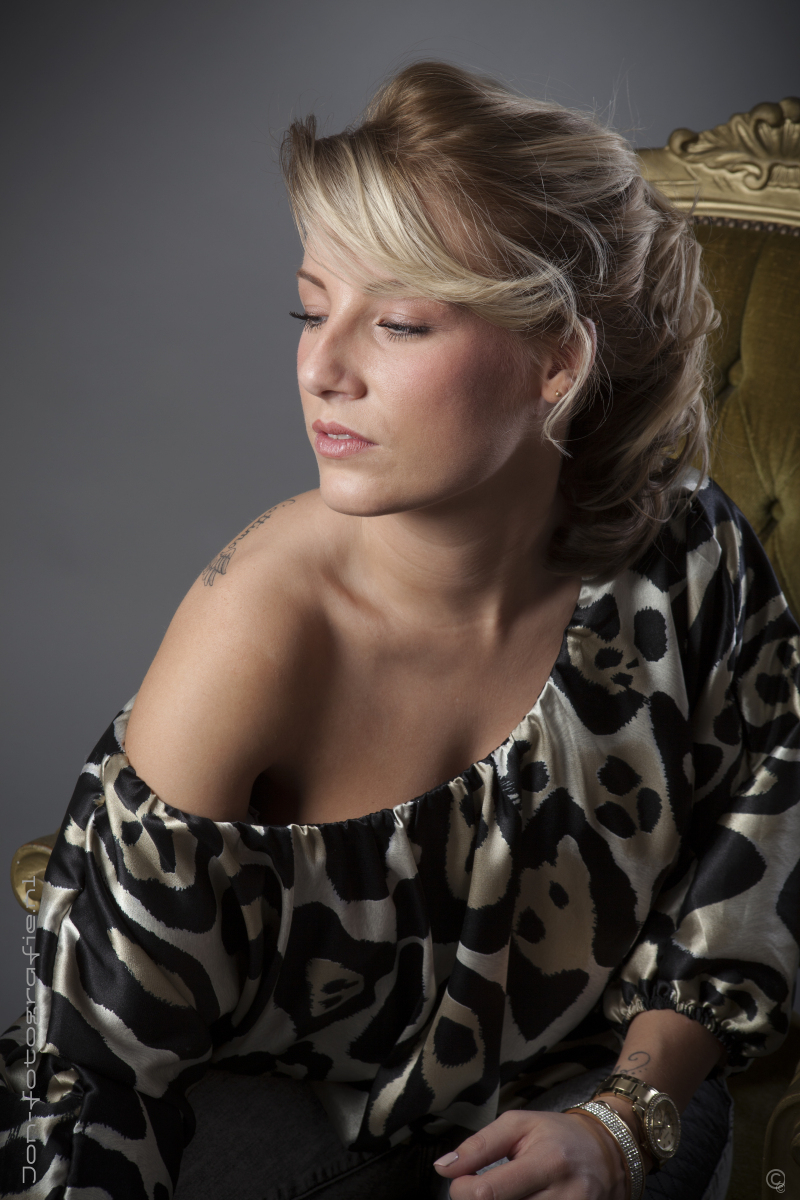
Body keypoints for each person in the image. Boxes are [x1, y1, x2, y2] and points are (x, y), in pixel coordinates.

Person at [1, 60, 798, 1200]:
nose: (321, 369)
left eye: (399, 323)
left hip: (596, 1081)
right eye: (310, 308)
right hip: (272, 1102)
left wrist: (624, 1121)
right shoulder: (255, 631)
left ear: (557, 361)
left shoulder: (686, 556)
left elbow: (753, 871)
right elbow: (95, 1074)